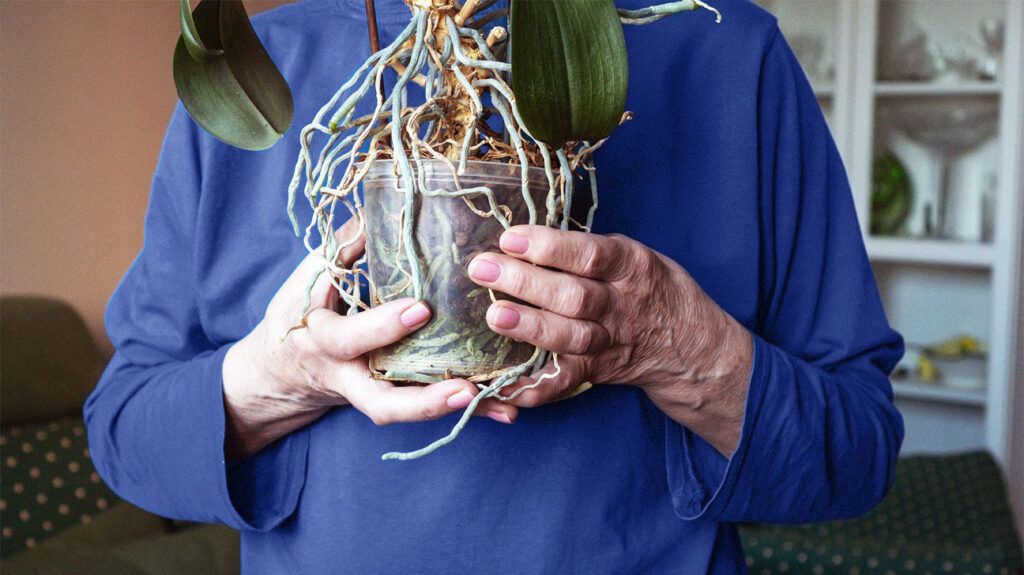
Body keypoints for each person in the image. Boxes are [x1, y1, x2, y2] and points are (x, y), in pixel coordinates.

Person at [85, 0, 905, 572]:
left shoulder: (730, 52)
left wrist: (676, 344)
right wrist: (278, 376)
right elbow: (124, 433)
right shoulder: (250, 70)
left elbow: (857, 455)